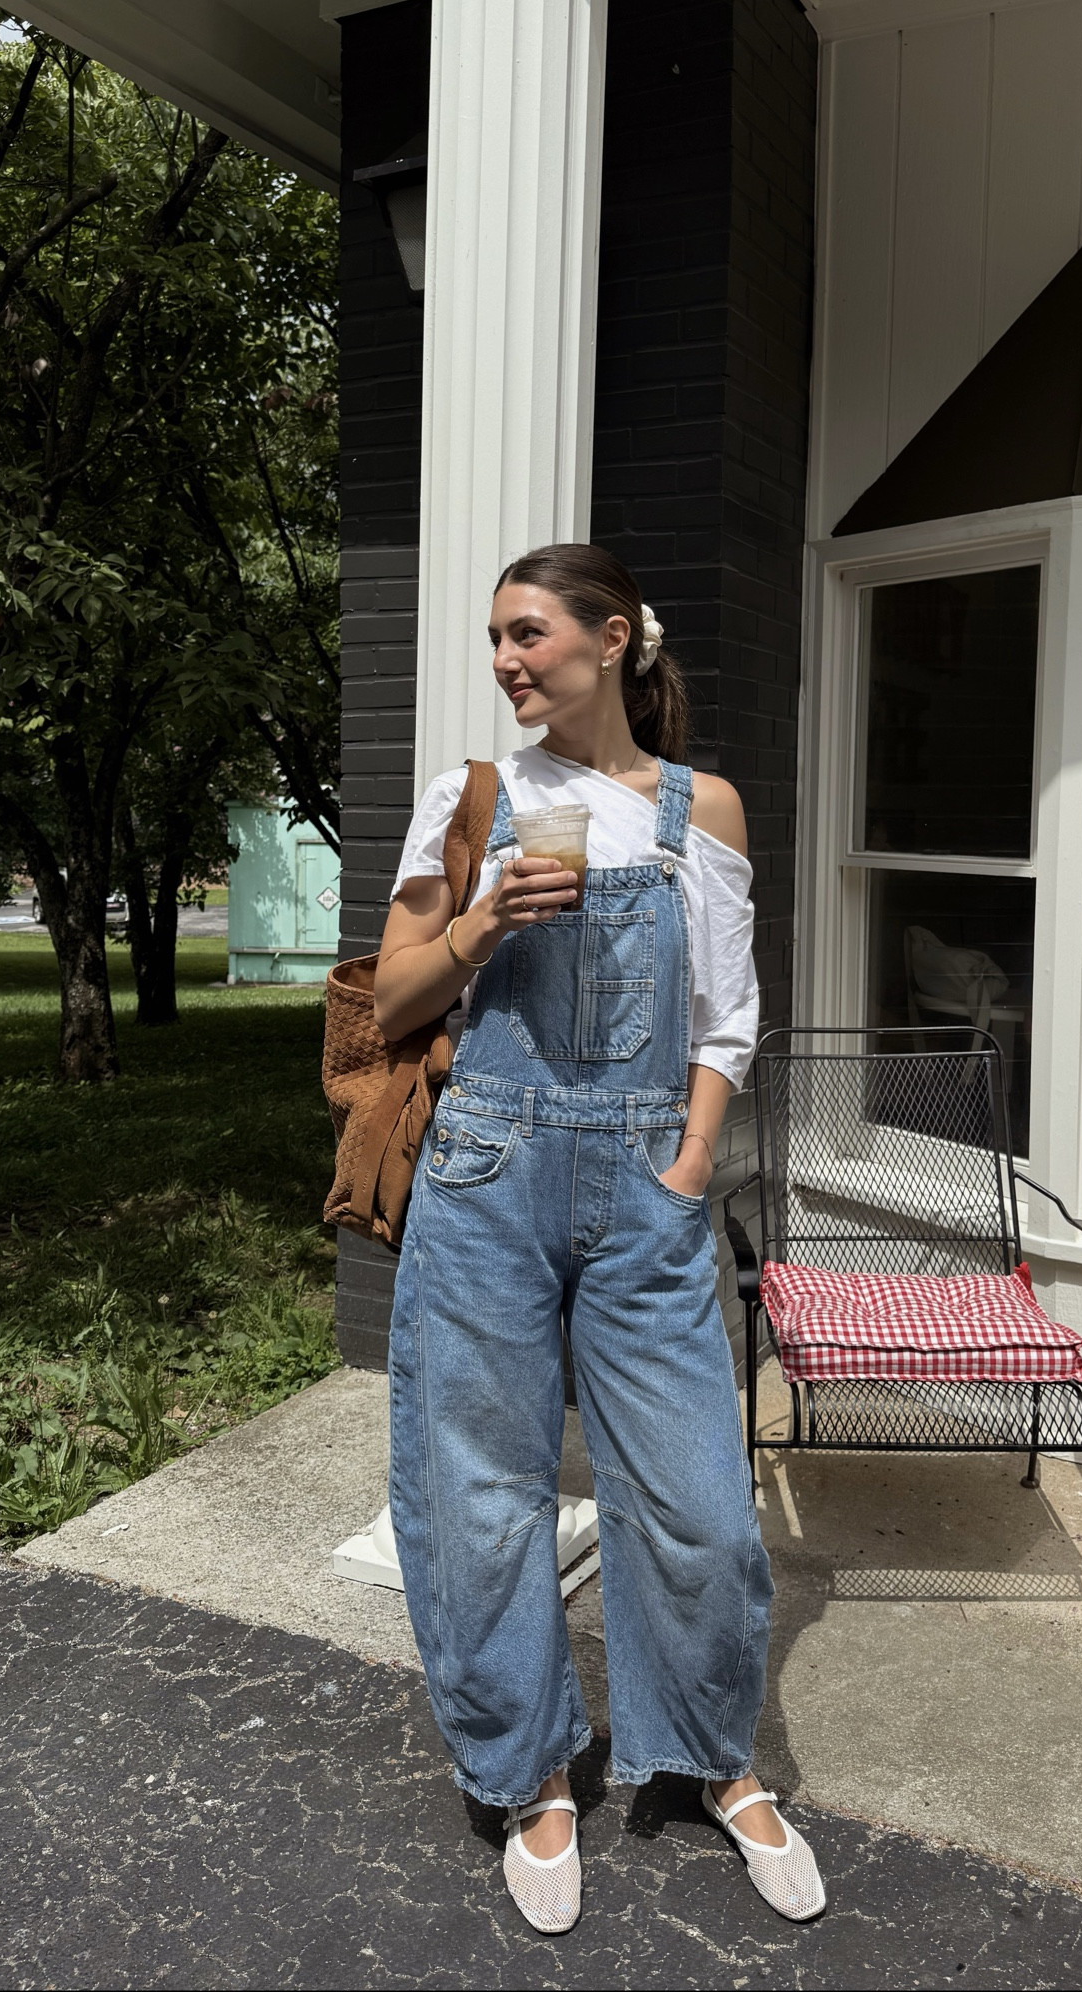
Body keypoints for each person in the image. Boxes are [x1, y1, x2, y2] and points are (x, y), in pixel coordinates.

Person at [372, 543, 824, 1935]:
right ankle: (528, 1774)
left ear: (610, 637)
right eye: (495, 642)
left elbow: (725, 1022)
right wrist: (481, 924)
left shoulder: (703, 811)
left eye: (528, 635)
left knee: (692, 1500)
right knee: (478, 1496)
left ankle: (710, 1759)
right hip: (488, 1172)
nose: (506, 662)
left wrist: (687, 1168)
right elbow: (386, 1004)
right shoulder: (476, 796)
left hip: (645, 1189)